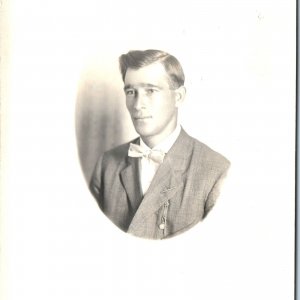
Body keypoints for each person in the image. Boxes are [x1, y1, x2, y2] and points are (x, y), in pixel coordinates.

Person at [90, 49, 230, 239]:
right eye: (131, 92)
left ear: (178, 97)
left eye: (150, 91)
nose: (138, 104)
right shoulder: (106, 165)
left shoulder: (216, 172)